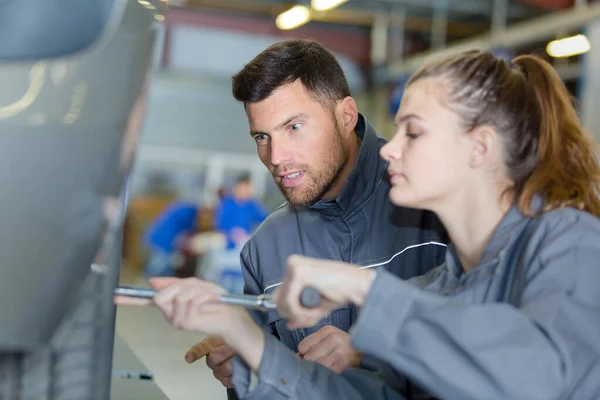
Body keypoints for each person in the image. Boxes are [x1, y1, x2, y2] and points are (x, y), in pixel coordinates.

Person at [143, 50, 600, 399]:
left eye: (414, 133)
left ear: (480, 147)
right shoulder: (450, 281)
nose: (388, 149)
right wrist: (243, 336)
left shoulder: (571, 244)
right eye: (263, 137)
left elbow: (543, 376)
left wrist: (363, 290)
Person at [183, 38, 447, 397]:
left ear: (346, 115)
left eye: (294, 127)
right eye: (262, 136)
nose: (276, 156)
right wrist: (249, 360)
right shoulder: (265, 248)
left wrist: (373, 348)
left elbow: (499, 343)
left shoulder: (438, 204)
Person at [213, 174, 268, 249]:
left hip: (245, 239)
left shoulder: (252, 205)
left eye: (247, 189)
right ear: (236, 189)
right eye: (243, 189)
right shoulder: (227, 204)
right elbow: (219, 223)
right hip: (226, 239)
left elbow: (265, 219)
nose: (245, 192)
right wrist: (232, 233)